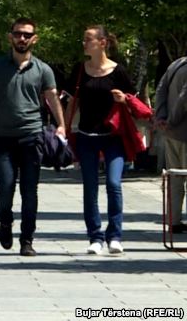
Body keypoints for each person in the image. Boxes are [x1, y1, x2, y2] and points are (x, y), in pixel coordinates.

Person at [0, 18, 65, 257]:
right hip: (3, 138)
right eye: (18, 34)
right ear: (10, 37)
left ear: (34, 39)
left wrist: (61, 125)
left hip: (32, 136)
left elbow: (52, 98)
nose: (22, 38)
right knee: (5, 187)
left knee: (29, 190)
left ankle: (27, 239)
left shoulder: (42, 69)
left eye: (27, 35)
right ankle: (5, 221)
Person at [63, 25, 135, 255]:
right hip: (87, 137)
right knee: (90, 187)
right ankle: (95, 237)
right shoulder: (80, 70)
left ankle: (115, 236)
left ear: (102, 43)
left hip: (113, 137)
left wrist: (123, 99)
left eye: (88, 39)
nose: (84, 43)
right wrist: (63, 129)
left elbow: (134, 102)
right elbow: (72, 103)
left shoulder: (118, 71)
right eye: (84, 39)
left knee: (113, 184)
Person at [155, 52, 187, 234]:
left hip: (171, 133)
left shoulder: (177, 63)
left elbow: (160, 89)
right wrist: (172, 120)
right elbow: (184, 98)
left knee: (175, 178)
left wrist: (161, 117)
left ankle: (174, 220)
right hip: (182, 131)